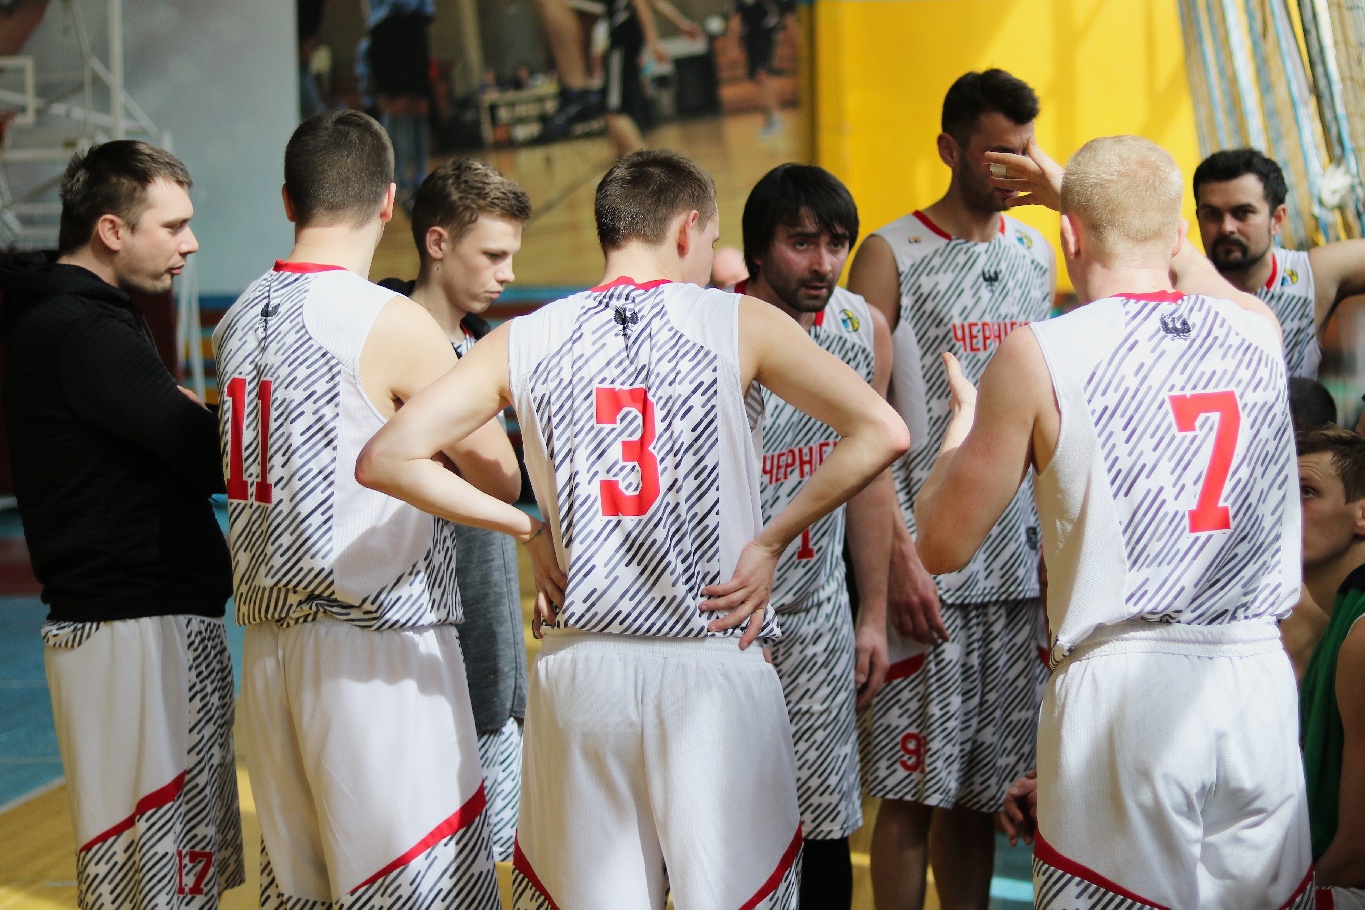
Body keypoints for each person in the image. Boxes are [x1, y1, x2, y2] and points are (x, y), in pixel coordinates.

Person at [355, 148, 909, 910]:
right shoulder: (738, 321)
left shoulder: (524, 337)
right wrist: (771, 541)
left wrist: (525, 529)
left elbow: (386, 457)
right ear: (687, 230)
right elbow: (882, 431)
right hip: (707, 666)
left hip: (583, 674)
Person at [923, 133, 1314, 907]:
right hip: (1254, 678)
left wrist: (957, 432)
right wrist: (1081, 193)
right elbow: (1183, 261)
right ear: (1178, 232)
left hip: (1125, 683)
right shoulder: (1255, 330)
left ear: (1068, 237)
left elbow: (940, 542)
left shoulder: (1037, 353)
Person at [212, 109, 520, 909]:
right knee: (420, 892)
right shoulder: (392, 321)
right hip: (376, 646)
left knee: (303, 894)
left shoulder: (239, 316)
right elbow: (499, 474)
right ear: (388, 202)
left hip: (270, 651)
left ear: (288, 200)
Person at [0, 140, 243, 908]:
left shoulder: (83, 319)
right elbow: (210, 457)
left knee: (158, 878)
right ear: (111, 230)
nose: (189, 243)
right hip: (135, 630)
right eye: (172, 226)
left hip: (137, 625)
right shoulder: (84, 330)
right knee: (157, 883)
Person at [845, 67, 1053, 910]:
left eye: (1026, 150)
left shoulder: (1036, 252)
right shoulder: (889, 252)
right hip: (924, 560)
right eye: (997, 152)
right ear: (949, 149)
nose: (1015, 168)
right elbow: (856, 416)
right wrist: (893, 555)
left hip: (1016, 568)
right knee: (909, 790)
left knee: (979, 789)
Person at [737, 163, 894, 909]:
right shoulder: (714, 331)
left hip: (819, 617)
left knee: (825, 827)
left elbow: (869, 481)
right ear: (757, 250)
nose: (823, 263)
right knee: (731, 829)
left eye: (835, 244)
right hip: (729, 619)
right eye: (801, 243)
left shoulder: (860, 329)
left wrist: (871, 614)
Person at [376, 157, 533, 863]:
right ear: (437, 242)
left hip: (487, 637)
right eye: (492, 255)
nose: (507, 274)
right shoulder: (379, 336)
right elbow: (500, 481)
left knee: (491, 865)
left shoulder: (484, 344)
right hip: (409, 646)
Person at [1192, 148, 1365, 378]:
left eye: (1242, 212)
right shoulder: (1183, 293)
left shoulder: (1309, 275)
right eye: (1212, 214)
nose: (1226, 227)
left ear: (1277, 219)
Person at [1297, 427, 1365, 905]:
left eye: (1306, 492)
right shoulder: (1333, 624)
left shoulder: (1361, 638)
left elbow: (1356, 856)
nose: (1283, 507)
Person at [603, 0, 701, 158]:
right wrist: (681, 22)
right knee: (618, 109)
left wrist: (653, 42)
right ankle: (625, 161)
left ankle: (643, 164)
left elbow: (641, 2)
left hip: (621, 43)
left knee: (614, 111)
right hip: (628, 41)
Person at [366, 0, 435, 205]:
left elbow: (428, 11)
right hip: (387, 35)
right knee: (397, 111)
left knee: (419, 110)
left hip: (414, 33)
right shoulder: (382, 23)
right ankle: (400, 180)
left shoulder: (417, 20)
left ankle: (420, 177)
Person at [728, 0, 785, 137]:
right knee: (758, 79)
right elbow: (734, 21)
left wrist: (733, 45)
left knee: (764, 76)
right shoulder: (738, 4)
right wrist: (733, 45)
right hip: (751, 39)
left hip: (764, 36)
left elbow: (776, 15)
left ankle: (775, 117)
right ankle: (768, 119)